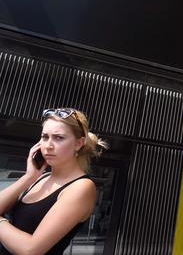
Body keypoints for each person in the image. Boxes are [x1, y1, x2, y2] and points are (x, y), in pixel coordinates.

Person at [0, 108, 107, 255]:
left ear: (79, 143)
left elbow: (31, 250)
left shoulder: (81, 187)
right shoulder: (40, 178)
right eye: (45, 137)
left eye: (59, 138)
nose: (48, 146)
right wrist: (28, 177)